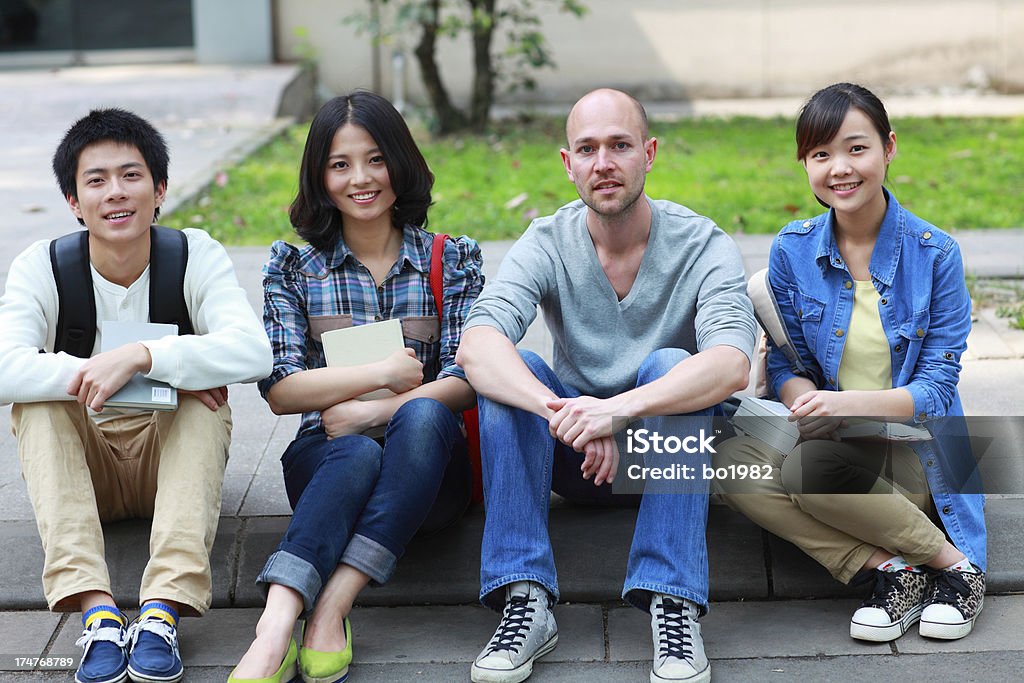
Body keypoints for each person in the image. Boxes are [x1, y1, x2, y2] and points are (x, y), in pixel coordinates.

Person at [457, 88, 756, 683]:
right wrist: (568, 414)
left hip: (669, 458)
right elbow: (477, 344)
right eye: (588, 149)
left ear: (648, 153)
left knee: (675, 363)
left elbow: (730, 363)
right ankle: (525, 600)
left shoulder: (703, 243)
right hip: (575, 457)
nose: (604, 163)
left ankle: (673, 604)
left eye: (619, 146)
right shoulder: (547, 241)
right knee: (516, 372)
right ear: (567, 164)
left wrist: (617, 412)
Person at [0, 109, 272, 683]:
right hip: (86, 469)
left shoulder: (194, 254)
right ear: (73, 201)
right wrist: (129, 368)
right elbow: (4, 370)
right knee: (39, 403)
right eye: (95, 181)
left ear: (160, 190)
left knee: (207, 404)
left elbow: (254, 353)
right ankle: (95, 609)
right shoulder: (42, 266)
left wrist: (147, 356)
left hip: (166, 461)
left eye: (131, 175)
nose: (115, 193)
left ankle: (161, 611)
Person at [714, 83, 986, 643]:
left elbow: (936, 389)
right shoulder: (792, 250)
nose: (839, 168)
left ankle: (957, 568)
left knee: (809, 469)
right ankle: (889, 569)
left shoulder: (936, 254)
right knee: (728, 463)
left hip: (912, 449)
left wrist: (841, 407)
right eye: (821, 155)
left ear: (889, 148)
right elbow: (790, 363)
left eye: (856, 148)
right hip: (828, 443)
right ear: (806, 164)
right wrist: (800, 403)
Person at [229, 91, 483, 683]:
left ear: (401, 161)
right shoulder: (294, 270)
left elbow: (467, 380)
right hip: (327, 465)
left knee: (417, 420)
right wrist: (376, 374)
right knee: (352, 453)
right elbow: (282, 389)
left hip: (432, 477)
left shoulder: (454, 260)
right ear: (320, 176)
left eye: (375, 159)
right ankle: (278, 625)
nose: (361, 179)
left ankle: (332, 606)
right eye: (340, 164)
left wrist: (378, 409)